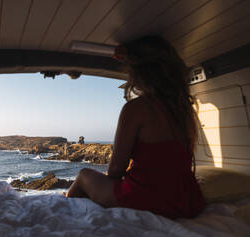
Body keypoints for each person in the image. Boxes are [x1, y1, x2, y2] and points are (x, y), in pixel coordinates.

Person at [66, 36, 206, 219]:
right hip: (186, 200)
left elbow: (116, 169)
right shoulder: (184, 109)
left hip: (146, 198)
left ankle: (67, 213)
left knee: (84, 175)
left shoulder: (136, 108)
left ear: (140, 74)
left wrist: (108, 185)